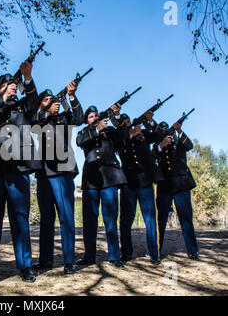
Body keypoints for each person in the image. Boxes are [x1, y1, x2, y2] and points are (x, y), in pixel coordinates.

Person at [0, 61, 40, 282]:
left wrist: (28, 78)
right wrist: (2, 99)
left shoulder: (23, 105)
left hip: (19, 168)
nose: (12, 87)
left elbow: (34, 104)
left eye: (13, 84)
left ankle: (25, 266)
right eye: (8, 84)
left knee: (20, 219)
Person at [30, 83, 83, 274]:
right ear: (40, 105)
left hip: (63, 171)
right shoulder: (39, 118)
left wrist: (72, 96)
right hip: (44, 172)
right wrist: (48, 113)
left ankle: (69, 261)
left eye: (52, 100)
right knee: (46, 218)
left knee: (66, 216)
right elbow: (32, 123)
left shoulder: (63, 117)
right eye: (46, 100)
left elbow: (79, 118)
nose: (51, 102)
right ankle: (45, 260)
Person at [76, 104, 127, 268]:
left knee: (110, 218)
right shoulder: (84, 132)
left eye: (96, 115)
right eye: (91, 117)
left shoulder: (110, 131)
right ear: (86, 121)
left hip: (110, 178)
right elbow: (80, 141)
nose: (95, 118)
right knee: (89, 220)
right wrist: (96, 130)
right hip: (91, 179)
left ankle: (114, 256)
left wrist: (117, 118)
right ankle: (89, 255)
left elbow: (123, 138)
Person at [113, 111, 163, 264]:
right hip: (128, 183)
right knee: (126, 220)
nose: (127, 121)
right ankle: (126, 253)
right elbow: (117, 146)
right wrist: (129, 135)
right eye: (124, 120)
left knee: (150, 220)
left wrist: (150, 120)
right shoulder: (120, 138)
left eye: (128, 119)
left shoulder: (143, 134)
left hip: (145, 182)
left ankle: (154, 253)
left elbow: (159, 136)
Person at [152, 121, 199, 260]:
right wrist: (162, 145)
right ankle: (157, 250)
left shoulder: (178, 142)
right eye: (163, 129)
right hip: (164, 186)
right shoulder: (157, 146)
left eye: (167, 128)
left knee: (186, 219)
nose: (166, 130)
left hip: (181, 185)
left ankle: (192, 250)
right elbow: (152, 156)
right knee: (160, 219)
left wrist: (179, 130)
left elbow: (189, 146)